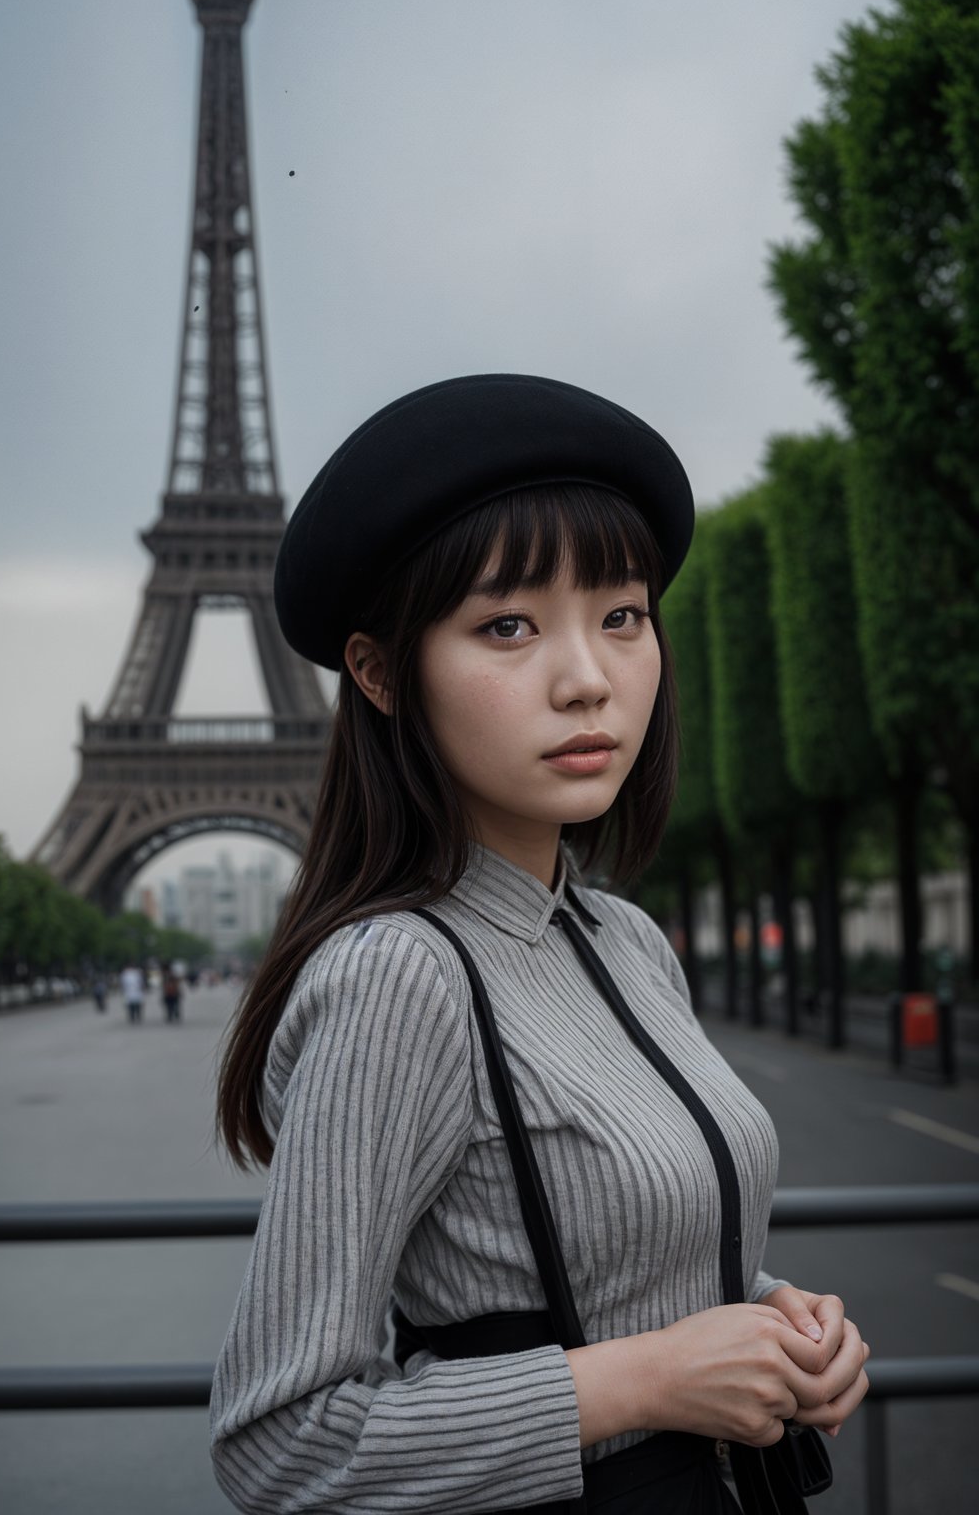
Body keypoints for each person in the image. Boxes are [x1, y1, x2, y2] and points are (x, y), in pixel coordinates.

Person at [210, 375, 869, 1514]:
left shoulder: (625, 940)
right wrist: (643, 1380)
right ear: (378, 673)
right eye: (506, 626)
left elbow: (607, 1255)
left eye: (621, 616)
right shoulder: (399, 974)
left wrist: (770, 1316)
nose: (588, 680)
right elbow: (282, 1441)